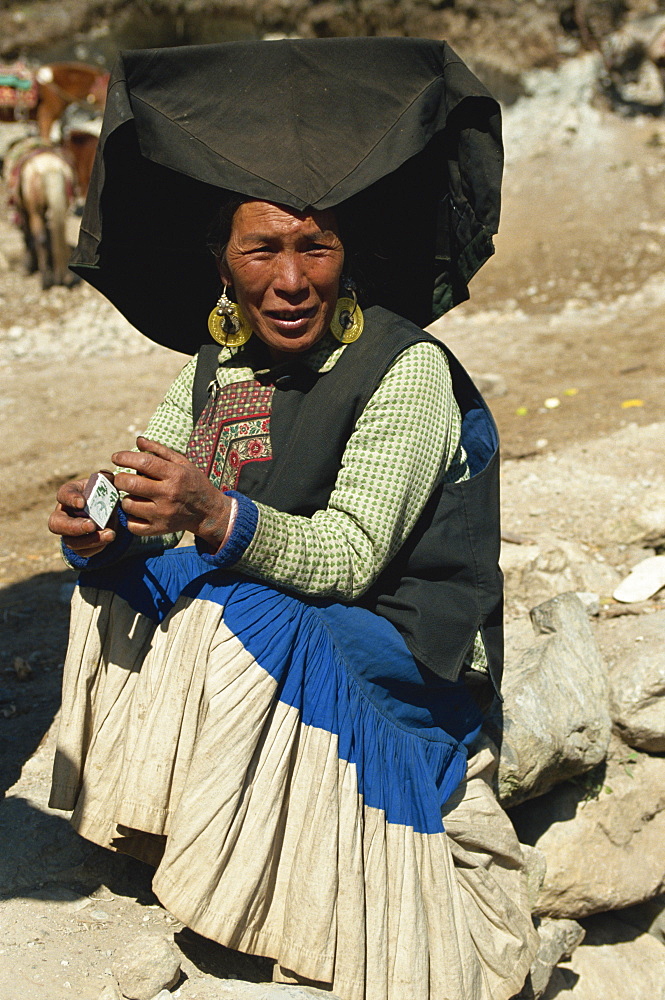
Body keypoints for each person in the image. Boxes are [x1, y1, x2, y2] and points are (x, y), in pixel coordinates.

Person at [48, 38, 538, 1000]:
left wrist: (214, 509)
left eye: (315, 247)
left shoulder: (405, 372)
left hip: (405, 639)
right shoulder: (215, 368)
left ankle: (270, 890)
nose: (291, 277)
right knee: (125, 583)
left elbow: (353, 558)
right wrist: (106, 528)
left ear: (346, 255)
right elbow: (154, 491)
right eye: (262, 248)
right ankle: (177, 824)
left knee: (239, 611)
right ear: (222, 264)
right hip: (287, 600)